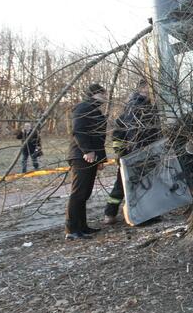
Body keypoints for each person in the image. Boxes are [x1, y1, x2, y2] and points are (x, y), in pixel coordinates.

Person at [104, 80, 160, 224]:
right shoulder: (144, 109)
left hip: (130, 154)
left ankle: (110, 214)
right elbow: (152, 133)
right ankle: (143, 216)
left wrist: (121, 153)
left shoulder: (127, 111)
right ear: (142, 89)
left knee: (121, 184)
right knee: (141, 185)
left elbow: (117, 135)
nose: (150, 92)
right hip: (140, 154)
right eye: (148, 89)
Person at [65, 83, 108, 240]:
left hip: (91, 157)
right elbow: (79, 131)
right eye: (103, 94)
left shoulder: (94, 110)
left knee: (85, 194)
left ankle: (82, 227)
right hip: (81, 157)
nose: (106, 97)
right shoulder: (82, 108)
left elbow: (98, 138)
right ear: (94, 94)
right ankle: (71, 230)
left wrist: (100, 159)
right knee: (78, 193)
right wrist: (87, 151)